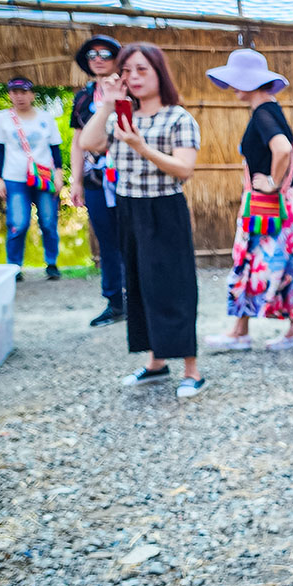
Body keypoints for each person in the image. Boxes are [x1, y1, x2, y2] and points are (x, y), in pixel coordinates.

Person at [80, 43, 206, 399]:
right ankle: (155, 362)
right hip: (128, 207)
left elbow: (184, 169)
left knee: (173, 286)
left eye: (142, 70)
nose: (133, 77)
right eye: (128, 71)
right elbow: (89, 143)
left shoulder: (178, 118)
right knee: (137, 283)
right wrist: (107, 102)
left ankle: (192, 370)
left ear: (158, 73)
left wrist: (140, 146)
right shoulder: (120, 115)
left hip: (164, 208)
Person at [202, 49, 293, 352]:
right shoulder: (270, 110)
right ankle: (291, 328)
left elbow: (283, 149)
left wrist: (271, 184)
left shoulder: (263, 112)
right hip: (284, 205)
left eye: (239, 80)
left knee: (249, 260)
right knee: (284, 263)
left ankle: (240, 331)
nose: (234, 86)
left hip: (269, 204)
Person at [69, 34, 126, 326]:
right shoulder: (82, 98)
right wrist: (75, 180)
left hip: (131, 177)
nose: (99, 59)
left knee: (133, 237)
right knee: (106, 241)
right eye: (92, 55)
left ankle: (139, 298)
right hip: (95, 179)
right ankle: (115, 302)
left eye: (105, 53)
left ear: (117, 57)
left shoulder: (132, 89)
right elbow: (78, 141)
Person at [0, 77, 62, 281]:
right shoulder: (3, 118)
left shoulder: (45, 117)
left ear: (32, 94)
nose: (19, 96)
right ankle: (14, 266)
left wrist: (59, 173)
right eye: (14, 92)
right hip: (14, 177)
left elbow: (55, 147)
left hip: (44, 176)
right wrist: (0, 178)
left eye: (23, 92)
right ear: (10, 95)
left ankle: (52, 263)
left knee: (48, 221)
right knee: (18, 223)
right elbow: (0, 150)